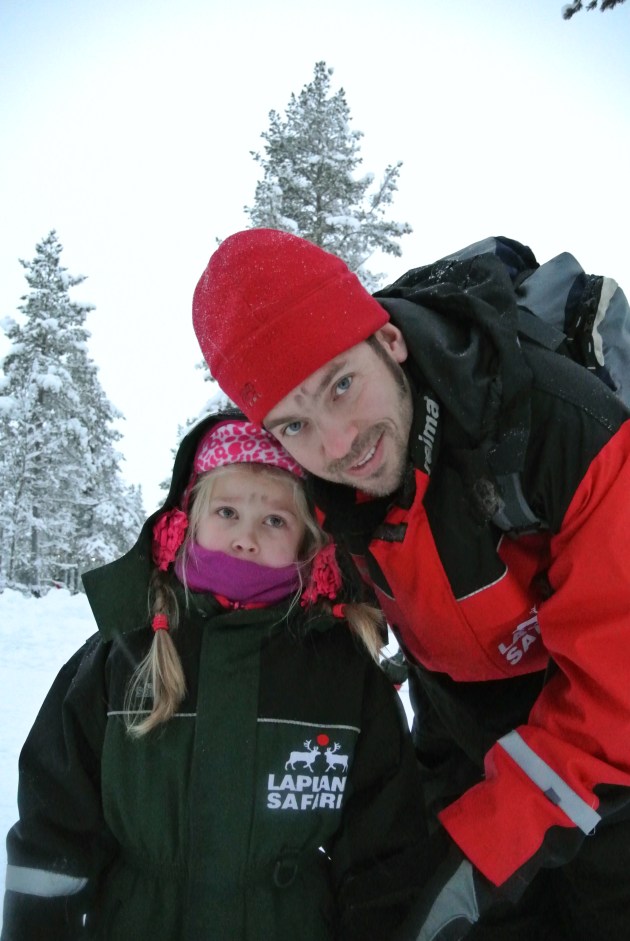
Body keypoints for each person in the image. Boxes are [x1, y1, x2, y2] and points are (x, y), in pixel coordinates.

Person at [192, 228, 630, 940]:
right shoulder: (318, 491)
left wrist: (481, 854)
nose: (339, 444)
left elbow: (618, 697)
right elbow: (246, 588)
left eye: (341, 384)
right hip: (462, 738)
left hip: (604, 752)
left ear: (387, 340)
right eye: (296, 423)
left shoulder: (565, 428)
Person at [2, 412, 430, 941]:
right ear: (189, 520)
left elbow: (385, 854)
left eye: (274, 520)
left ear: (308, 541)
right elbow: (53, 830)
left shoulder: (342, 673)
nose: (246, 537)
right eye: (227, 511)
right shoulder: (121, 656)